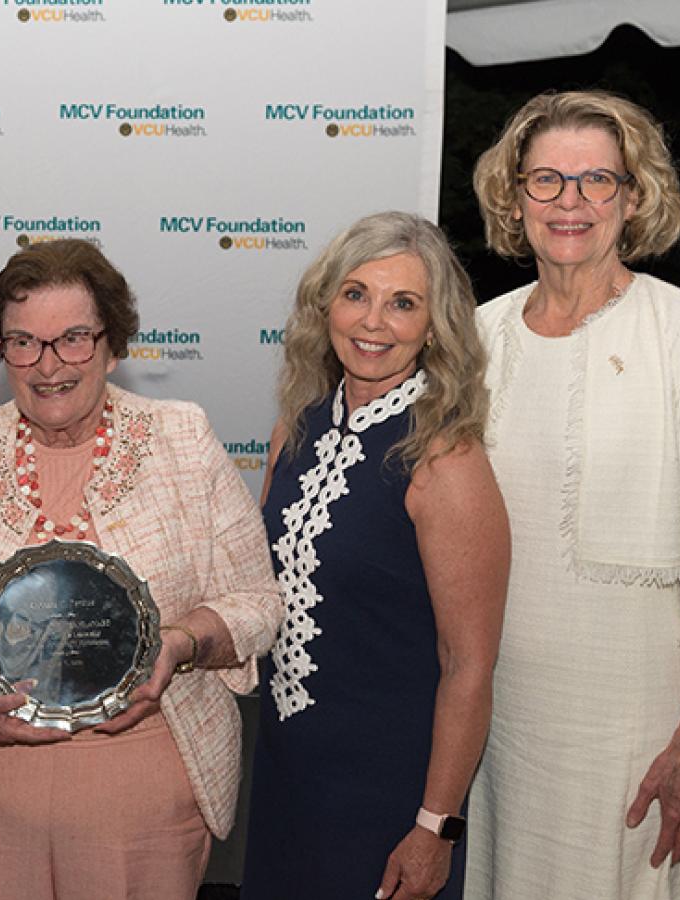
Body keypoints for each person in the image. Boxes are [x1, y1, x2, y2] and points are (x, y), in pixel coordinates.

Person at [0, 238, 281, 900]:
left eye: (74, 340)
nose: (48, 364)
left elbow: (255, 601)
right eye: (23, 342)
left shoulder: (183, 438)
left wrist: (179, 645)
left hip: (144, 816)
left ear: (112, 344)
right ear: (1, 349)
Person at [464, 90, 680, 899]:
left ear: (634, 199)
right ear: (512, 197)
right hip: (499, 715)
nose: (571, 203)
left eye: (598, 181)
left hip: (633, 718)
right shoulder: (477, 336)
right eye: (548, 180)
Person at [241, 211, 509, 900]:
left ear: (434, 325)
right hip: (287, 774)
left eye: (403, 304)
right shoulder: (294, 430)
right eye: (356, 293)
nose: (373, 321)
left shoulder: (445, 458)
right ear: (325, 303)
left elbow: (469, 665)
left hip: (392, 795)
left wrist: (435, 827)